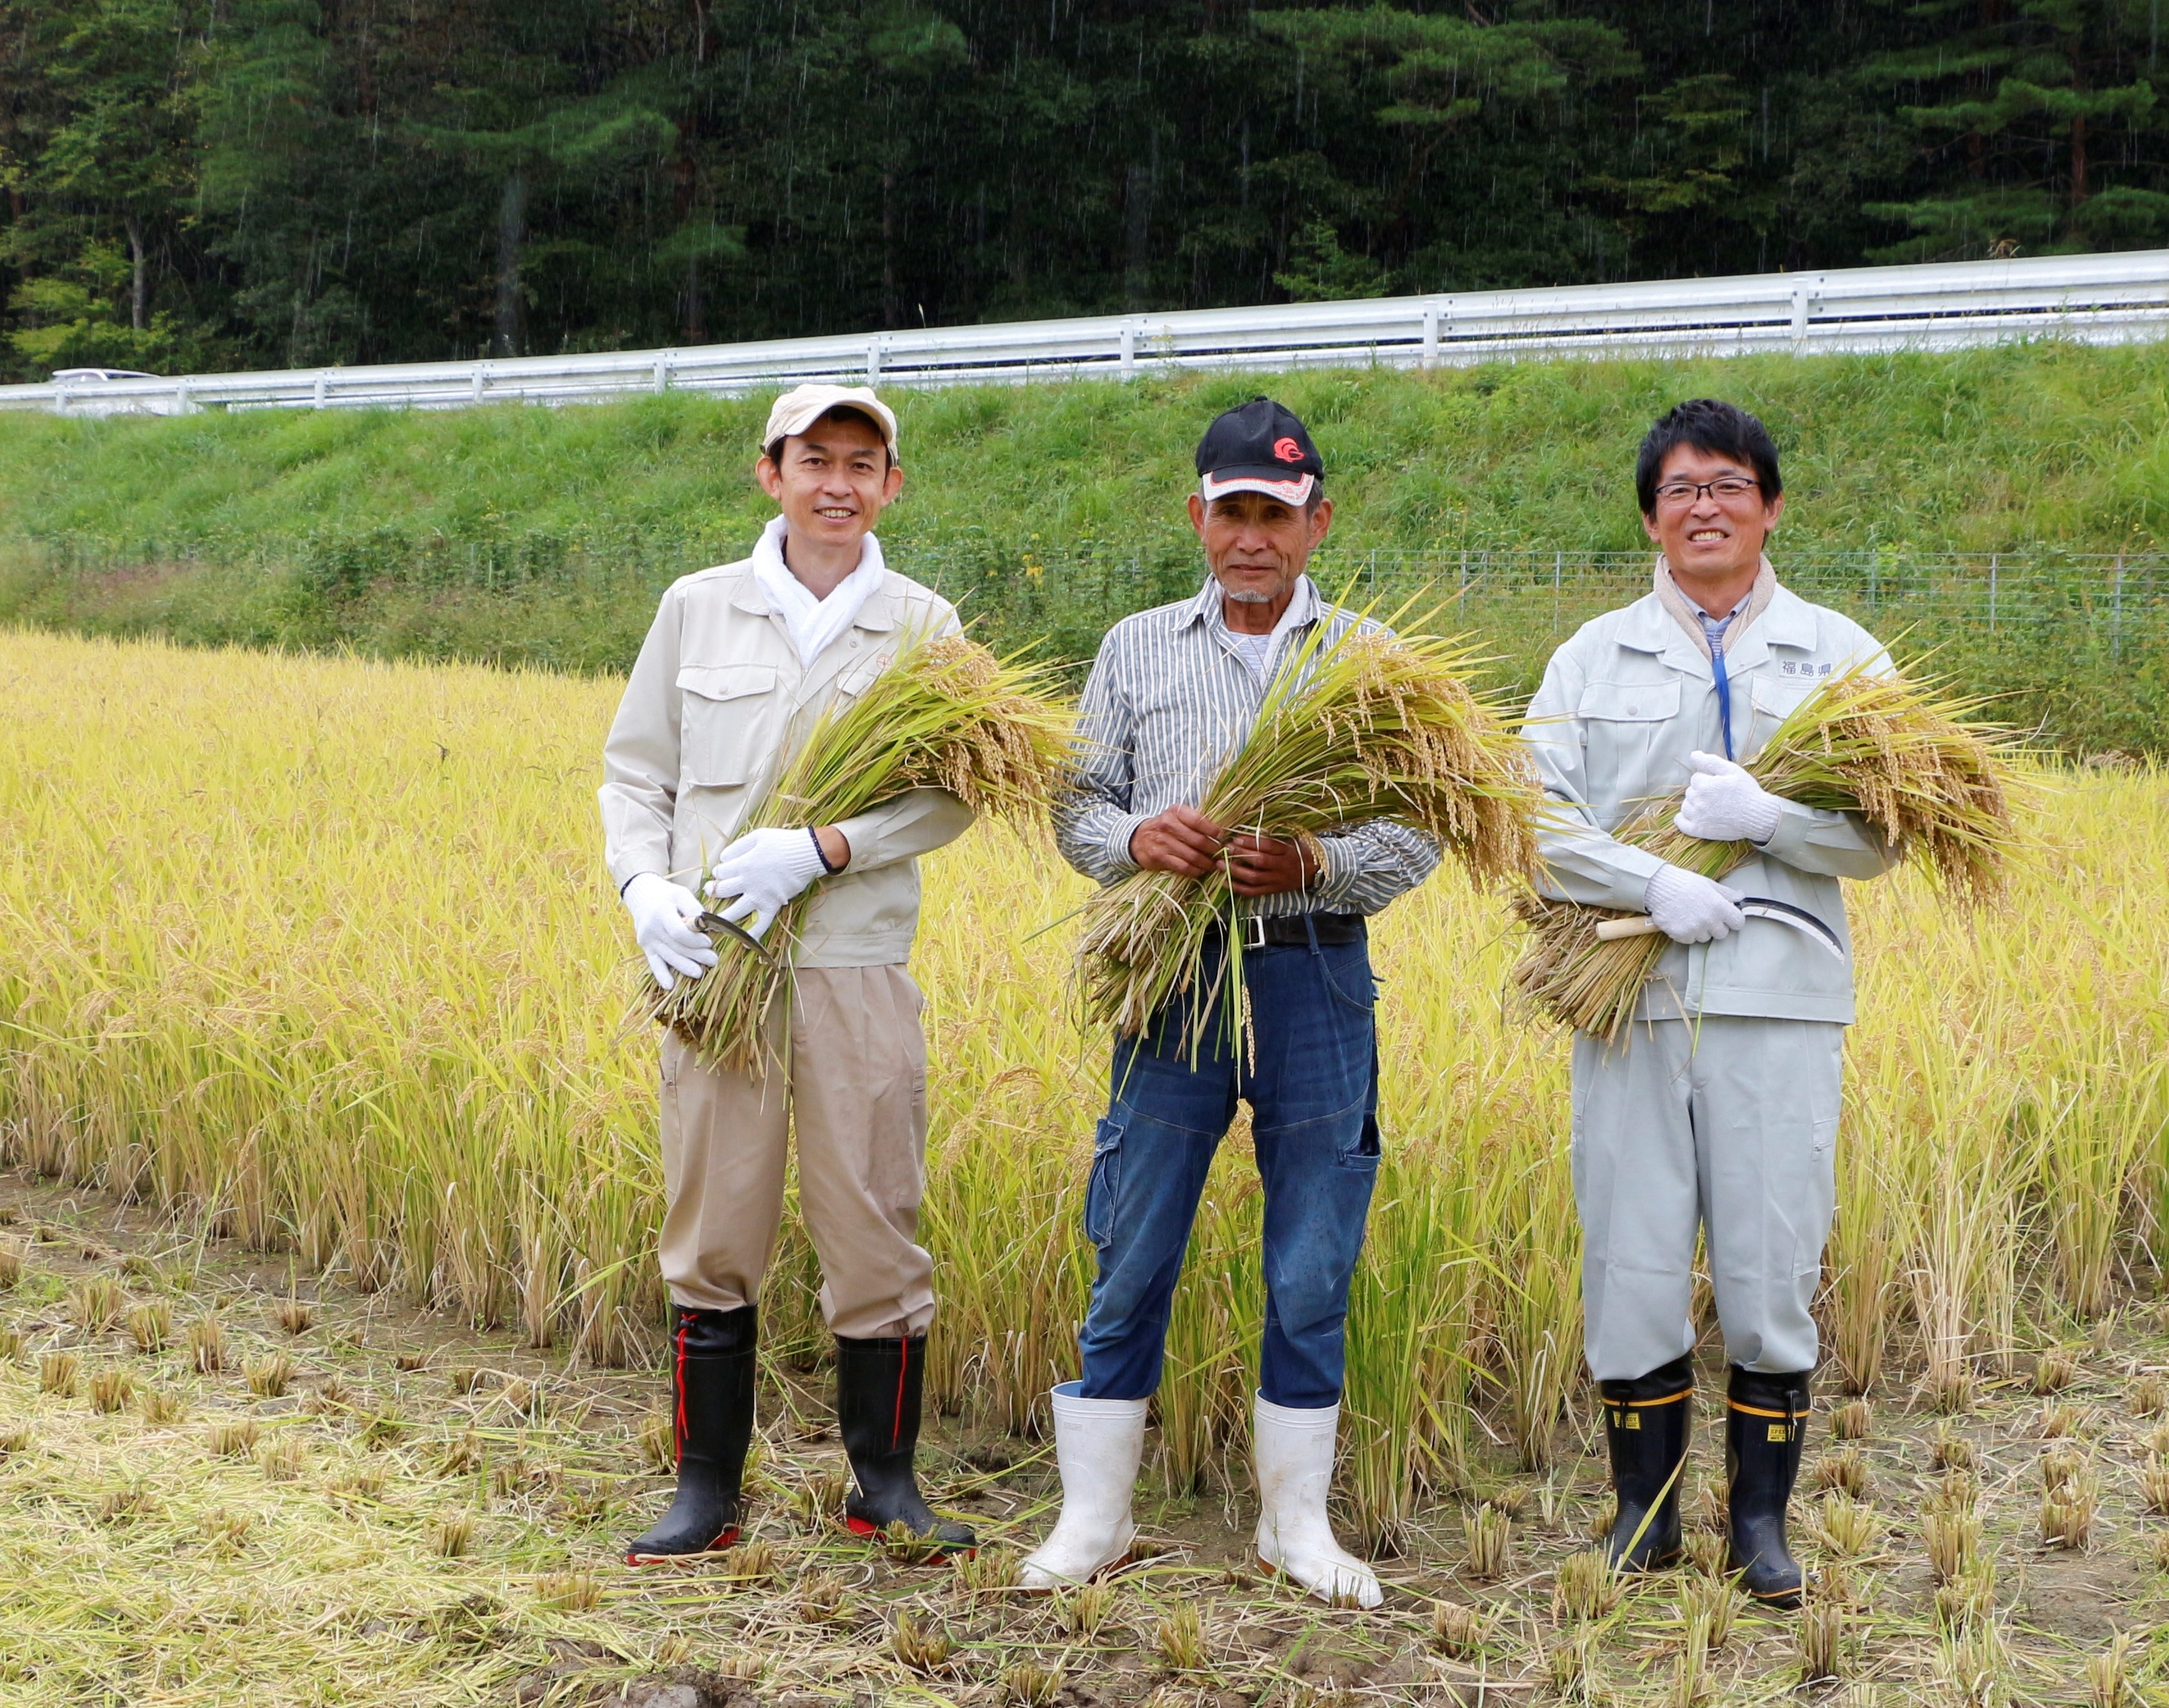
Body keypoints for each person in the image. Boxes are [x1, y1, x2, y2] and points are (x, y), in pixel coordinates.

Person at [1022, 397, 1439, 1606]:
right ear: (1198, 515)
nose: (1252, 535)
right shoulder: (1135, 646)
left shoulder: (1369, 656)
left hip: (1314, 968)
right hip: (1177, 974)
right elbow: (1075, 804)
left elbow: (1420, 830)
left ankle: (1293, 1525)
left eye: (1278, 513)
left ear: (1316, 523)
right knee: (1135, 1234)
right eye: (1232, 511)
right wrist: (1139, 838)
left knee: (1314, 1249)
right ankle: (1092, 1517)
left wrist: (1319, 861)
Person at [1522, 398, 1897, 1604]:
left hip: (1780, 1005)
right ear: (1650, 515)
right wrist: (1656, 880)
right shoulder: (1591, 656)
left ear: (1771, 506)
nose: (1705, 507)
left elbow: (1890, 833)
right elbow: (1535, 821)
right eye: (1681, 490)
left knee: (1771, 1262)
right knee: (1628, 1257)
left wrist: (1769, 822)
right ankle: (1644, 1515)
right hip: (1630, 1001)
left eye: (1729, 485)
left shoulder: (1842, 656)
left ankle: (1761, 1524)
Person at [600, 383, 978, 1564]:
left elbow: (955, 792)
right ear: (770, 473)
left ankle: (885, 1486)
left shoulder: (926, 625)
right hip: (719, 962)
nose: (838, 484)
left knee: (875, 1222)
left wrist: (828, 845)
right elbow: (634, 773)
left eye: (862, 464)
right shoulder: (697, 607)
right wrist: (642, 889)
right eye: (814, 459)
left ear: (890, 487)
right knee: (714, 1222)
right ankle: (706, 1490)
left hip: (856, 965)